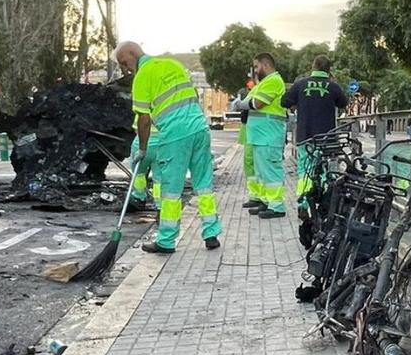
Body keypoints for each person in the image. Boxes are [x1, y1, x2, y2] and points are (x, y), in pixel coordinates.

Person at [113, 42, 221, 254]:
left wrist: (142, 149)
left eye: (124, 63)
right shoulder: (174, 65)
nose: (125, 69)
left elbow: (143, 120)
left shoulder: (143, 77)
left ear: (132, 54)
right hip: (200, 128)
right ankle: (211, 233)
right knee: (204, 184)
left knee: (171, 190)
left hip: (175, 134)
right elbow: (193, 96)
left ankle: (166, 240)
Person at [280, 55, 347, 217]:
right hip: (327, 139)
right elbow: (343, 103)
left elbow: (284, 102)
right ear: (329, 70)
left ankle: (303, 204)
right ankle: (323, 205)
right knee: (324, 171)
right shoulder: (333, 86)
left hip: (306, 136)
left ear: (313, 67)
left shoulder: (300, 84)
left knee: (305, 170)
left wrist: (297, 104)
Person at [238, 53, 287, 219]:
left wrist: (240, 104)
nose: (255, 70)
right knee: (262, 172)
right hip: (261, 136)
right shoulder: (264, 83)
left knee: (271, 171)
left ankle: (277, 205)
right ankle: (267, 201)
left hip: (269, 135)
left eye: (257, 66)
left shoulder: (273, 81)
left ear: (265, 65)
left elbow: (256, 103)